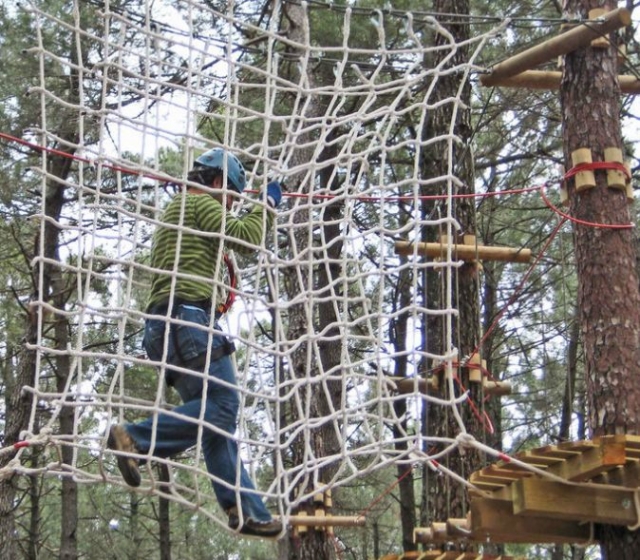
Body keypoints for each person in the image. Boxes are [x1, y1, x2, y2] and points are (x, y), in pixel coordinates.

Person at [107, 148, 283, 538]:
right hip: (187, 319)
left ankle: (246, 508)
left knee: (214, 417)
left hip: (164, 328)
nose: (232, 205)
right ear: (218, 182)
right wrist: (267, 204)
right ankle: (135, 439)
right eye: (232, 196)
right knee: (223, 405)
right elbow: (248, 238)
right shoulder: (200, 202)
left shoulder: (182, 208)